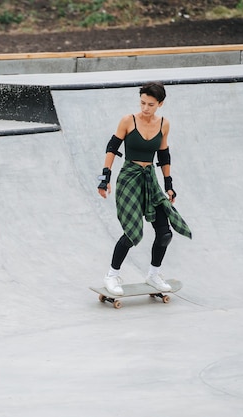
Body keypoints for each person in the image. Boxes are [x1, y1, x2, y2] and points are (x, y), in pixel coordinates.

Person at [97, 82, 192, 296]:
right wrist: (104, 178)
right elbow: (112, 148)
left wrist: (169, 186)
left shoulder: (164, 124)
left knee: (165, 232)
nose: (145, 108)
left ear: (160, 104)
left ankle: (153, 274)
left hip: (150, 180)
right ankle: (111, 276)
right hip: (129, 178)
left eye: (150, 104)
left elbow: (164, 155)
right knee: (132, 234)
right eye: (142, 103)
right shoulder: (128, 121)